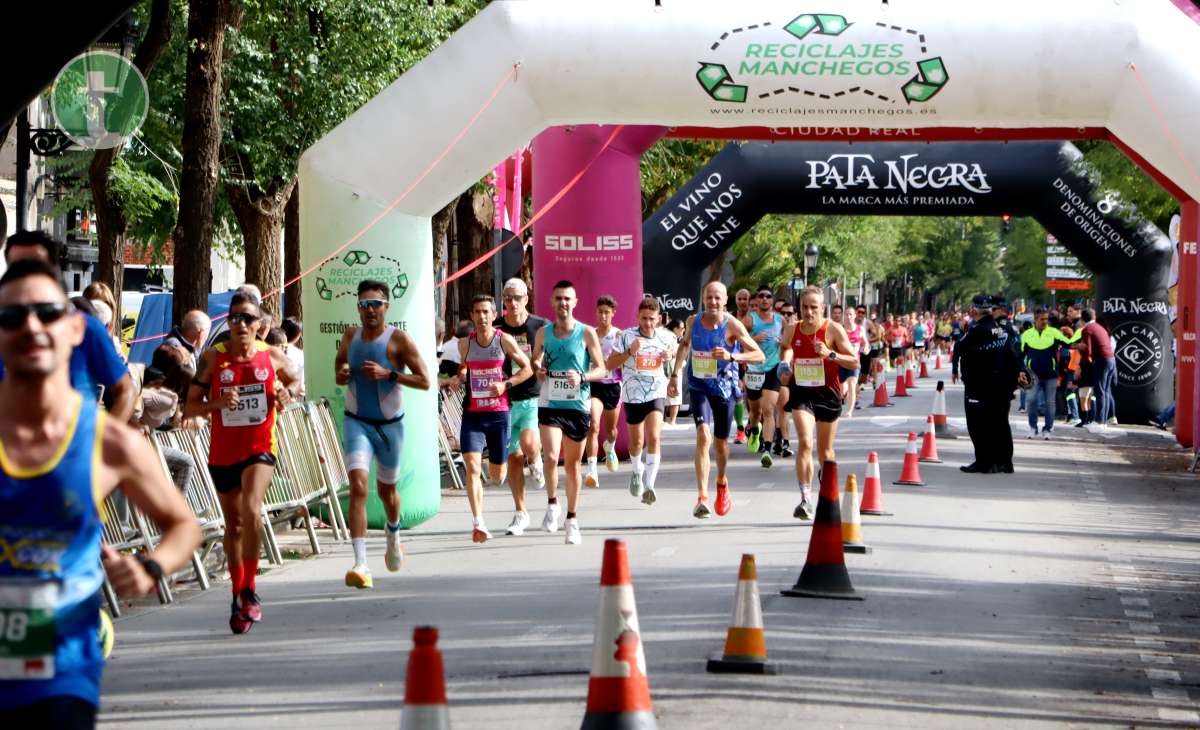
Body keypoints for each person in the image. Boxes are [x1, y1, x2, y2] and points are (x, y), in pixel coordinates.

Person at [0, 259, 201, 727]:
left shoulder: (106, 443)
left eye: (46, 313)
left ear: (74, 329)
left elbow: (183, 525)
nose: (31, 326)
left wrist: (150, 566)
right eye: (12, 316)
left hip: (58, 668)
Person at [186, 291, 300, 632]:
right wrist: (216, 405)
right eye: (235, 318)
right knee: (233, 526)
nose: (240, 324)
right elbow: (189, 407)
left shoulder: (273, 356)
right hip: (223, 452)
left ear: (259, 324)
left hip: (260, 448)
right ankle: (237, 592)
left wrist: (286, 394)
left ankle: (250, 589)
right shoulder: (213, 358)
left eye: (248, 318)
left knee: (252, 510)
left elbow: (294, 382)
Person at [332, 280, 430, 588]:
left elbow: (425, 380)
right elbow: (338, 366)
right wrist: (342, 374)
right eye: (364, 305)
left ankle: (393, 533)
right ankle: (360, 564)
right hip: (356, 421)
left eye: (376, 304)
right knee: (358, 487)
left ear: (386, 306)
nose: (370, 310)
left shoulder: (399, 340)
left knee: (388, 492)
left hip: (389, 428)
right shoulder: (350, 335)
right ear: (358, 308)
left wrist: (389, 374)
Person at [1, 231, 134, 421]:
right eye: (18, 267)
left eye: (36, 267)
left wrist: (100, 440)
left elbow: (125, 391)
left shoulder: (87, 327)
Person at [668, 282, 764, 519]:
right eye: (708, 297)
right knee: (703, 435)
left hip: (724, 390)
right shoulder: (693, 322)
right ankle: (702, 497)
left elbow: (759, 355)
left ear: (725, 300)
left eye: (717, 298)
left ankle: (721, 481)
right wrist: (674, 375)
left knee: (720, 444)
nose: (712, 302)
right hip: (699, 385)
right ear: (703, 298)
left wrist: (733, 355)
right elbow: (685, 346)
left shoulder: (732, 325)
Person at [449, 294, 531, 542]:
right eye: (477, 312)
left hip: (498, 415)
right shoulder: (465, 344)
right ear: (472, 316)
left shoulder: (504, 341)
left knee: (497, 476)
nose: (482, 317)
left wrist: (506, 384)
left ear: (494, 315)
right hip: (473, 415)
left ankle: (510, 495)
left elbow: (527, 368)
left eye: (486, 312)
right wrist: (459, 377)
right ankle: (478, 523)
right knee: (472, 468)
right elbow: (465, 366)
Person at [531, 280, 607, 544]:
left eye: (567, 299)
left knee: (573, 465)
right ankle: (553, 504)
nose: (563, 303)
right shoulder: (543, 333)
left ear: (575, 303)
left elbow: (602, 369)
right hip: (550, 403)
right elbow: (535, 361)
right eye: (558, 298)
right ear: (552, 302)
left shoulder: (586, 333)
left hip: (577, 405)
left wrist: (583, 377)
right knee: (551, 456)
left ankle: (572, 519)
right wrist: (537, 369)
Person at [778, 286, 859, 520]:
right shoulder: (792, 329)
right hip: (802, 393)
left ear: (822, 308)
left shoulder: (833, 330)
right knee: (805, 442)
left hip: (828, 395)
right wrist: (785, 365)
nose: (809, 312)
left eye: (814, 307)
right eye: (805, 307)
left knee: (825, 451)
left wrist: (830, 354)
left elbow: (854, 361)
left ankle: (828, 488)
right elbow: (786, 348)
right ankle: (805, 499)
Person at [607, 297, 677, 504]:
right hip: (632, 394)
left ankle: (650, 485)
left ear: (658, 318)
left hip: (656, 392)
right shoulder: (626, 336)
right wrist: (630, 352)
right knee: (637, 442)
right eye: (644, 318)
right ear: (638, 316)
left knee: (654, 437)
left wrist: (669, 355)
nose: (648, 323)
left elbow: (674, 352)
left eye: (652, 319)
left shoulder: (666, 337)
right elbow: (610, 363)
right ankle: (637, 470)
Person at [494, 278, 548, 534]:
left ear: (526, 299)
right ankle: (520, 513)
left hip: (531, 396)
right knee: (513, 459)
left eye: (517, 298)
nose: (512, 303)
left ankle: (536, 460)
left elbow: (551, 354)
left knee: (528, 445)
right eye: (508, 298)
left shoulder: (539, 326)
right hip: (503, 401)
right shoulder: (496, 328)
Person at [952, 296, 1022, 474]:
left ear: (974, 310)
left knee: (978, 424)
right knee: (1000, 424)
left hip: (980, 385)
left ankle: (985, 462)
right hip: (1002, 385)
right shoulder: (1005, 330)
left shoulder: (977, 331)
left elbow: (959, 348)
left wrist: (962, 333)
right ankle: (1004, 462)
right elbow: (1015, 355)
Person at [1019, 307, 1080, 439]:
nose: (1045, 321)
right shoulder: (1026, 335)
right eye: (1042, 319)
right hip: (1032, 375)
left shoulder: (1054, 332)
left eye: (1046, 319)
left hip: (1051, 375)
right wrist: (1019, 371)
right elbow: (1019, 355)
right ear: (1035, 319)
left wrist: (1079, 339)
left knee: (1050, 403)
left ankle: (1047, 429)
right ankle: (1032, 428)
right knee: (1030, 401)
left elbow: (1068, 344)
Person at [741, 285, 784, 468]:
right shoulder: (750, 320)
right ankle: (754, 429)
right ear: (756, 300)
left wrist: (784, 342)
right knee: (755, 412)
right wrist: (753, 340)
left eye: (768, 296)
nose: (765, 299)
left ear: (772, 300)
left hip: (773, 368)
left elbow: (788, 341)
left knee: (768, 409)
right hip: (754, 369)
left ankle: (767, 449)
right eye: (761, 296)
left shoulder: (780, 320)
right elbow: (736, 341)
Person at [584, 296, 624, 487]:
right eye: (600, 312)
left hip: (613, 385)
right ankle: (591, 470)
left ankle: (610, 446)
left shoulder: (619, 335)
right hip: (594, 384)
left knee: (611, 431)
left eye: (607, 312)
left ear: (613, 314)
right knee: (593, 425)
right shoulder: (590, 334)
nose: (603, 316)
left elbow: (625, 361)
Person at [1077, 308, 1117, 432]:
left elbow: (1087, 350)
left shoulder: (1087, 330)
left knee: (1100, 391)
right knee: (1105, 391)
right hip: (1111, 360)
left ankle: (1099, 421)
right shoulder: (1100, 327)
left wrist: (1081, 366)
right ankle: (1103, 421)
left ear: (1082, 319)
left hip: (1101, 361)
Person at [732, 288, 752, 444]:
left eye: (745, 299)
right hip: (735, 362)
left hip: (753, 362)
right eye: (740, 299)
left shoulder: (755, 318)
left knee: (751, 401)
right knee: (738, 395)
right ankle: (740, 429)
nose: (742, 302)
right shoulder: (730, 318)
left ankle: (753, 424)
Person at [841, 307, 866, 417]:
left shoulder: (860, 329)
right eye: (846, 314)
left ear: (855, 316)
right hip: (841, 362)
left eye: (851, 314)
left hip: (854, 362)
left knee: (852, 385)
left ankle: (849, 411)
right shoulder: (840, 329)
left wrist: (865, 348)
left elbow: (865, 343)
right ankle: (845, 394)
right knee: (843, 388)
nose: (848, 317)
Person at [663, 319, 686, 424]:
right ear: (675, 328)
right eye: (681, 328)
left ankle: (667, 420)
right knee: (674, 396)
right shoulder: (670, 336)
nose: (683, 330)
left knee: (668, 396)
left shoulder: (669, 335)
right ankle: (672, 421)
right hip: (671, 369)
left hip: (672, 369)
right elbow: (676, 352)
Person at [281, 317, 305, 398]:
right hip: (293, 398)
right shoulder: (300, 355)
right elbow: (300, 384)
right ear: (299, 335)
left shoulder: (271, 350)